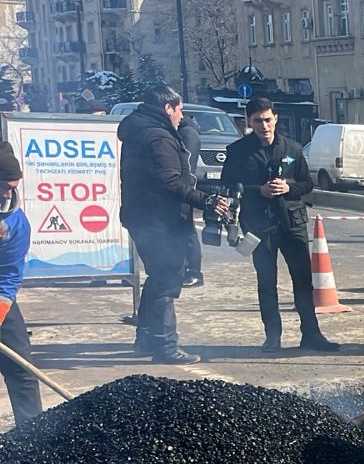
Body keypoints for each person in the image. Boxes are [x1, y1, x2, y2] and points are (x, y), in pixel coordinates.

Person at [117, 85, 227, 365]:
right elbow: (171, 182)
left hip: (143, 217)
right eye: (179, 110)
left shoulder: (140, 130)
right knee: (166, 281)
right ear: (168, 109)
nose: (182, 116)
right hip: (159, 220)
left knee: (156, 279)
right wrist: (207, 200)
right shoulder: (158, 138)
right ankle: (166, 346)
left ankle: (144, 339)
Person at [221, 96, 339, 353]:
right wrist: (258, 190)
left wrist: (289, 187)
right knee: (267, 282)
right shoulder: (238, 152)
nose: (263, 125)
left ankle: (311, 334)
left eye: (267, 119)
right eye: (257, 121)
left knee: (302, 280)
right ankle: (272, 336)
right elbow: (228, 187)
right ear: (249, 122)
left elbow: (307, 184)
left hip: (291, 223)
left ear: (275, 119)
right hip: (258, 225)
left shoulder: (293, 149)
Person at [0, 142, 43, 425]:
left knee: (20, 367)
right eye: (3, 185)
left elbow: (8, 274)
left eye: (12, 187)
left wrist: (1, 308)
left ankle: (33, 436)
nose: (7, 193)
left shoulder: (15, 223)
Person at [177, 114, 204, 288]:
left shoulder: (187, 133)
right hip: (182, 188)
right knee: (183, 230)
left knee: (187, 231)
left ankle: (194, 272)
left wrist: (183, 186)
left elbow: (186, 164)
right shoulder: (183, 131)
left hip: (183, 189)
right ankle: (185, 270)